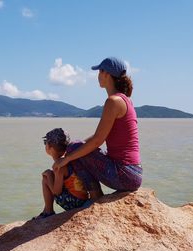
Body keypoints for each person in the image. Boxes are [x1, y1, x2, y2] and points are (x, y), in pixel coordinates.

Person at [53, 57, 142, 200]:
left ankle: (95, 196)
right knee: (75, 147)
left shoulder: (113, 102)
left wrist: (67, 158)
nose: (98, 76)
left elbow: (97, 141)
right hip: (133, 173)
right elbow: (98, 136)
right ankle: (94, 196)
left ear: (106, 74)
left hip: (124, 174)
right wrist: (76, 147)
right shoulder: (125, 99)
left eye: (100, 71)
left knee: (74, 149)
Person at [33, 128, 89, 219]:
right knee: (48, 175)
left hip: (75, 203)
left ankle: (48, 211)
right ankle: (46, 210)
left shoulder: (59, 166)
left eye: (45, 142)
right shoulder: (67, 158)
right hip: (82, 200)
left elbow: (56, 191)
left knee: (46, 177)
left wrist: (49, 175)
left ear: (49, 146)